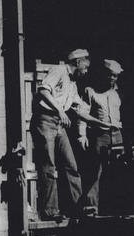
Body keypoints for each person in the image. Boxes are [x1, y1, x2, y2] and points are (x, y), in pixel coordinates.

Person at [31, 49, 114, 220]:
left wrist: (101, 123)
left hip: (59, 123)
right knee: (49, 166)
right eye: (85, 67)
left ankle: (79, 209)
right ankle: (49, 211)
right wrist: (60, 110)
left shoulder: (73, 84)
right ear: (77, 62)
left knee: (71, 165)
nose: (86, 71)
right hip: (46, 120)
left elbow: (80, 111)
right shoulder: (59, 71)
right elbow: (43, 90)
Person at [78, 59, 124, 215]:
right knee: (95, 171)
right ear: (104, 74)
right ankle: (92, 207)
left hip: (117, 136)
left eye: (115, 76)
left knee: (117, 171)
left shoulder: (117, 92)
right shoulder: (90, 91)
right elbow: (82, 114)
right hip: (100, 135)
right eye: (110, 75)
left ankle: (114, 206)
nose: (112, 79)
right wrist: (82, 134)